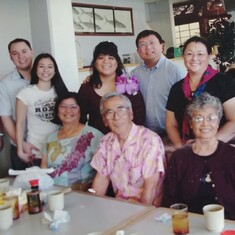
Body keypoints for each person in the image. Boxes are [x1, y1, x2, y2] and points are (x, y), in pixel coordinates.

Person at [163, 92, 235, 220]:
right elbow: (170, 201)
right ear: (191, 124)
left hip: (227, 226)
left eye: (211, 118)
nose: (205, 124)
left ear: (218, 122)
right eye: (198, 118)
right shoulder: (179, 158)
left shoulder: (231, 156)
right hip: (188, 225)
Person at [90, 92, 166, 206]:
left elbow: (151, 189)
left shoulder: (150, 140)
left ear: (131, 114)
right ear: (104, 120)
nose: (116, 117)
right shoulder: (106, 142)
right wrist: (92, 207)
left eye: (121, 110)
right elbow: (101, 181)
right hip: (119, 207)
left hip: (147, 210)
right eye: (109, 112)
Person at [166, 36, 235, 149]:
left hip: (220, 147)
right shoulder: (176, 88)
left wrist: (206, 145)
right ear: (183, 57)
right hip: (187, 150)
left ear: (209, 56)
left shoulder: (224, 81)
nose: (194, 58)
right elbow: (170, 124)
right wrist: (182, 149)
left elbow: (233, 121)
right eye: (189, 54)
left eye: (200, 54)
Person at [77, 41, 145, 134]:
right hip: (97, 143)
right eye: (101, 58)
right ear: (95, 63)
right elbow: (79, 118)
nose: (106, 61)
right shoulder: (86, 88)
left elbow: (139, 116)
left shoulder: (130, 85)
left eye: (111, 58)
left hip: (126, 142)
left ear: (117, 62)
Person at [41, 92, 103, 188]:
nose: (68, 110)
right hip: (52, 192)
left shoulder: (93, 135)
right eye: (63, 106)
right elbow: (43, 170)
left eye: (73, 107)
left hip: (80, 193)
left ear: (80, 110)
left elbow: (102, 172)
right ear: (57, 110)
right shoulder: (50, 138)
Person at [131, 30, 186, 137]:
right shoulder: (134, 74)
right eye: (143, 45)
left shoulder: (175, 71)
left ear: (162, 46)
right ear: (138, 50)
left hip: (172, 133)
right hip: (144, 134)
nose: (148, 47)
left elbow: (184, 102)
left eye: (152, 43)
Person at [16, 53, 68, 164]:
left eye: (50, 66)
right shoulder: (25, 93)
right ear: (35, 70)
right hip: (35, 150)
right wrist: (20, 150)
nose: (46, 70)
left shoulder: (62, 92)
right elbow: (20, 123)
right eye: (41, 66)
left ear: (55, 71)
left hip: (59, 150)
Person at [0, 38, 34, 170]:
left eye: (24, 51)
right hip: (20, 147)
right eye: (15, 53)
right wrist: (22, 145)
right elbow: (6, 118)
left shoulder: (46, 75)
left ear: (32, 52)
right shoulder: (5, 84)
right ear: (10, 57)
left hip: (49, 145)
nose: (21, 57)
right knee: (25, 189)